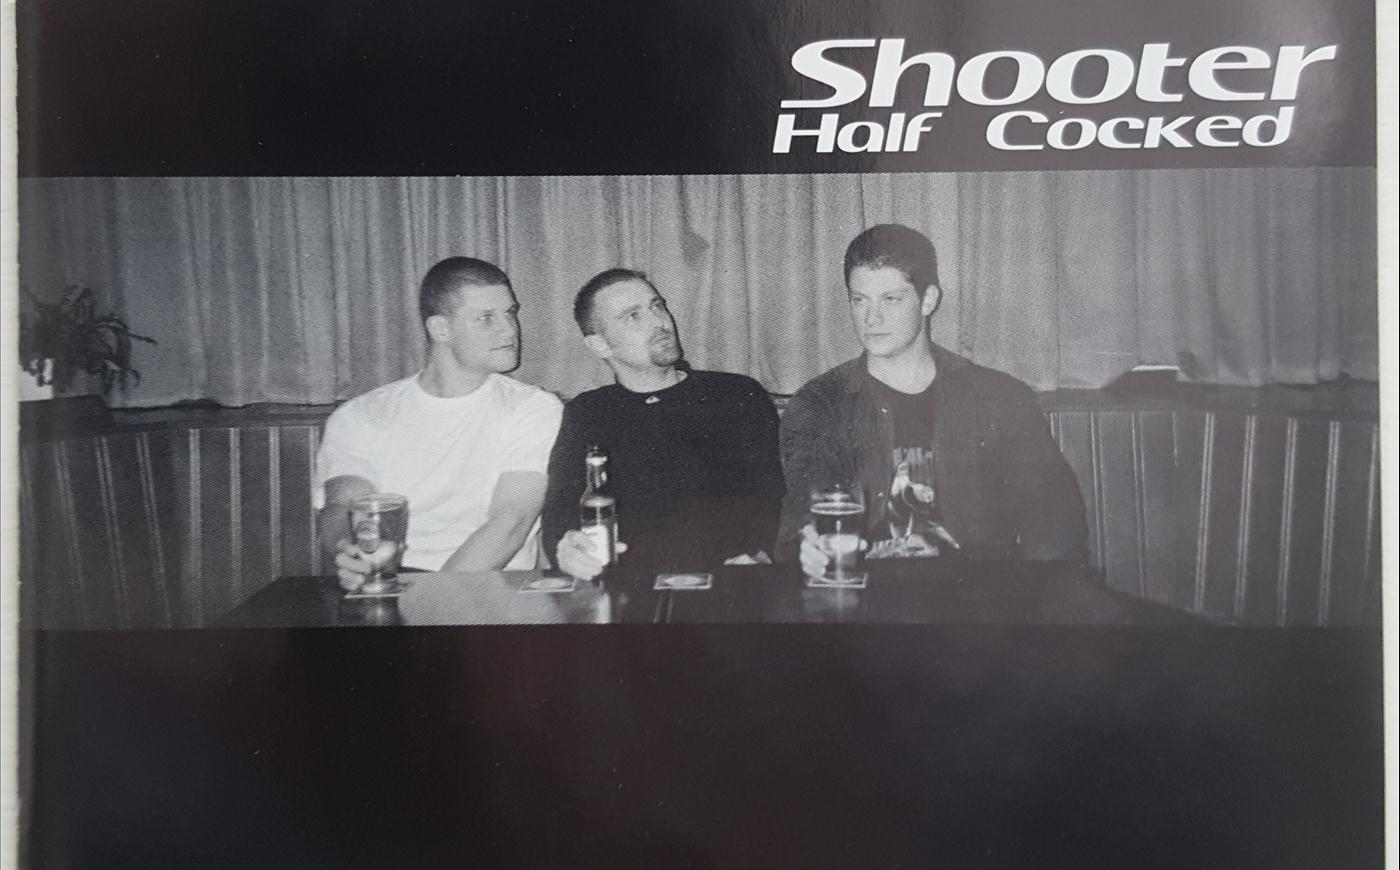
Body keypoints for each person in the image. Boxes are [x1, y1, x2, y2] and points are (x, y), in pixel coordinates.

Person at [780, 224, 1087, 577]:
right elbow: (804, 508)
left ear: (928, 300)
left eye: (891, 299)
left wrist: (1033, 595)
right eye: (859, 299)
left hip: (977, 595)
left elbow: (1055, 518)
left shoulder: (1000, 397)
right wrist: (808, 542)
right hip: (866, 592)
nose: (871, 319)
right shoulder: (820, 403)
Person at [316, 257, 562, 586]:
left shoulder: (533, 408)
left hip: (490, 585)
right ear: (441, 329)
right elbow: (342, 506)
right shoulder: (361, 414)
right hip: (389, 583)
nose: (509, 329)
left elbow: (511, 521)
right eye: (486, 318)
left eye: (510, 313)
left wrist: (432, 602)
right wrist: (348, 552)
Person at [541, 269, 783, 580]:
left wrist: (759, 552)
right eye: (633, 316)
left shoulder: (735, 394)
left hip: (727, 582)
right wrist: (568, 550)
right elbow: (559, 517)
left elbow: (774, 495)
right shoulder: (588, 413)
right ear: (600, 345)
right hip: (624, 586)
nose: (660, 322)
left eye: (657, 306)